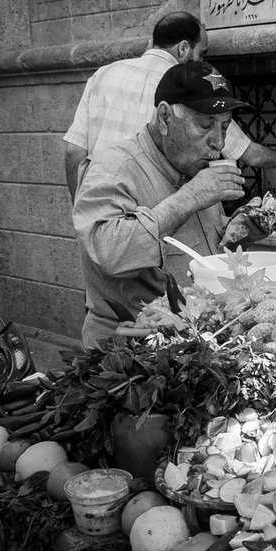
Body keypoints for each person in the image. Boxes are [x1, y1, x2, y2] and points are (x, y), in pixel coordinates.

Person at [72, 61, 248, 346]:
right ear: (165, 118)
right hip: (130, 350)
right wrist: (190, 198)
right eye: (205, 125)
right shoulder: (114, 168)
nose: (218, 142)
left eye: (225, 127)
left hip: (197, 340)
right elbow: (107, 253)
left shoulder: (197, 167)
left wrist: (243, 227)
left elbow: (202, 249)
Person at [63, 11, 276, 200]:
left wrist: (84, 217)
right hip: (156, 214)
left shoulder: (103, 75)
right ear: (184, 48)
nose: (202, 62)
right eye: (201, 53)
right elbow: (250, 155)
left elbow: (74, 152)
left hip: (101, 209)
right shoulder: (185, 89)